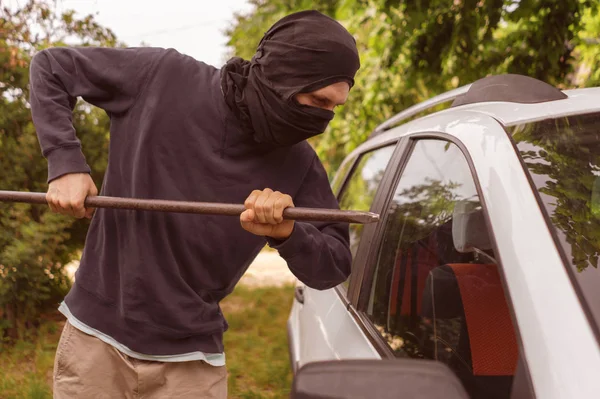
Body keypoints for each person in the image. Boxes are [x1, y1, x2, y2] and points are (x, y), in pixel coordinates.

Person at [29, 9, 360, 399]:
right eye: (318, 100)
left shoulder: (300, 164)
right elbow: (51, 67)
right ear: (283, 74)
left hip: (191, 363)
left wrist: (289, 233)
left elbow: (334, 265)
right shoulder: (161, 76)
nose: (322, 119)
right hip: (95, 343)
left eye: (333, 108)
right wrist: (65, 163)